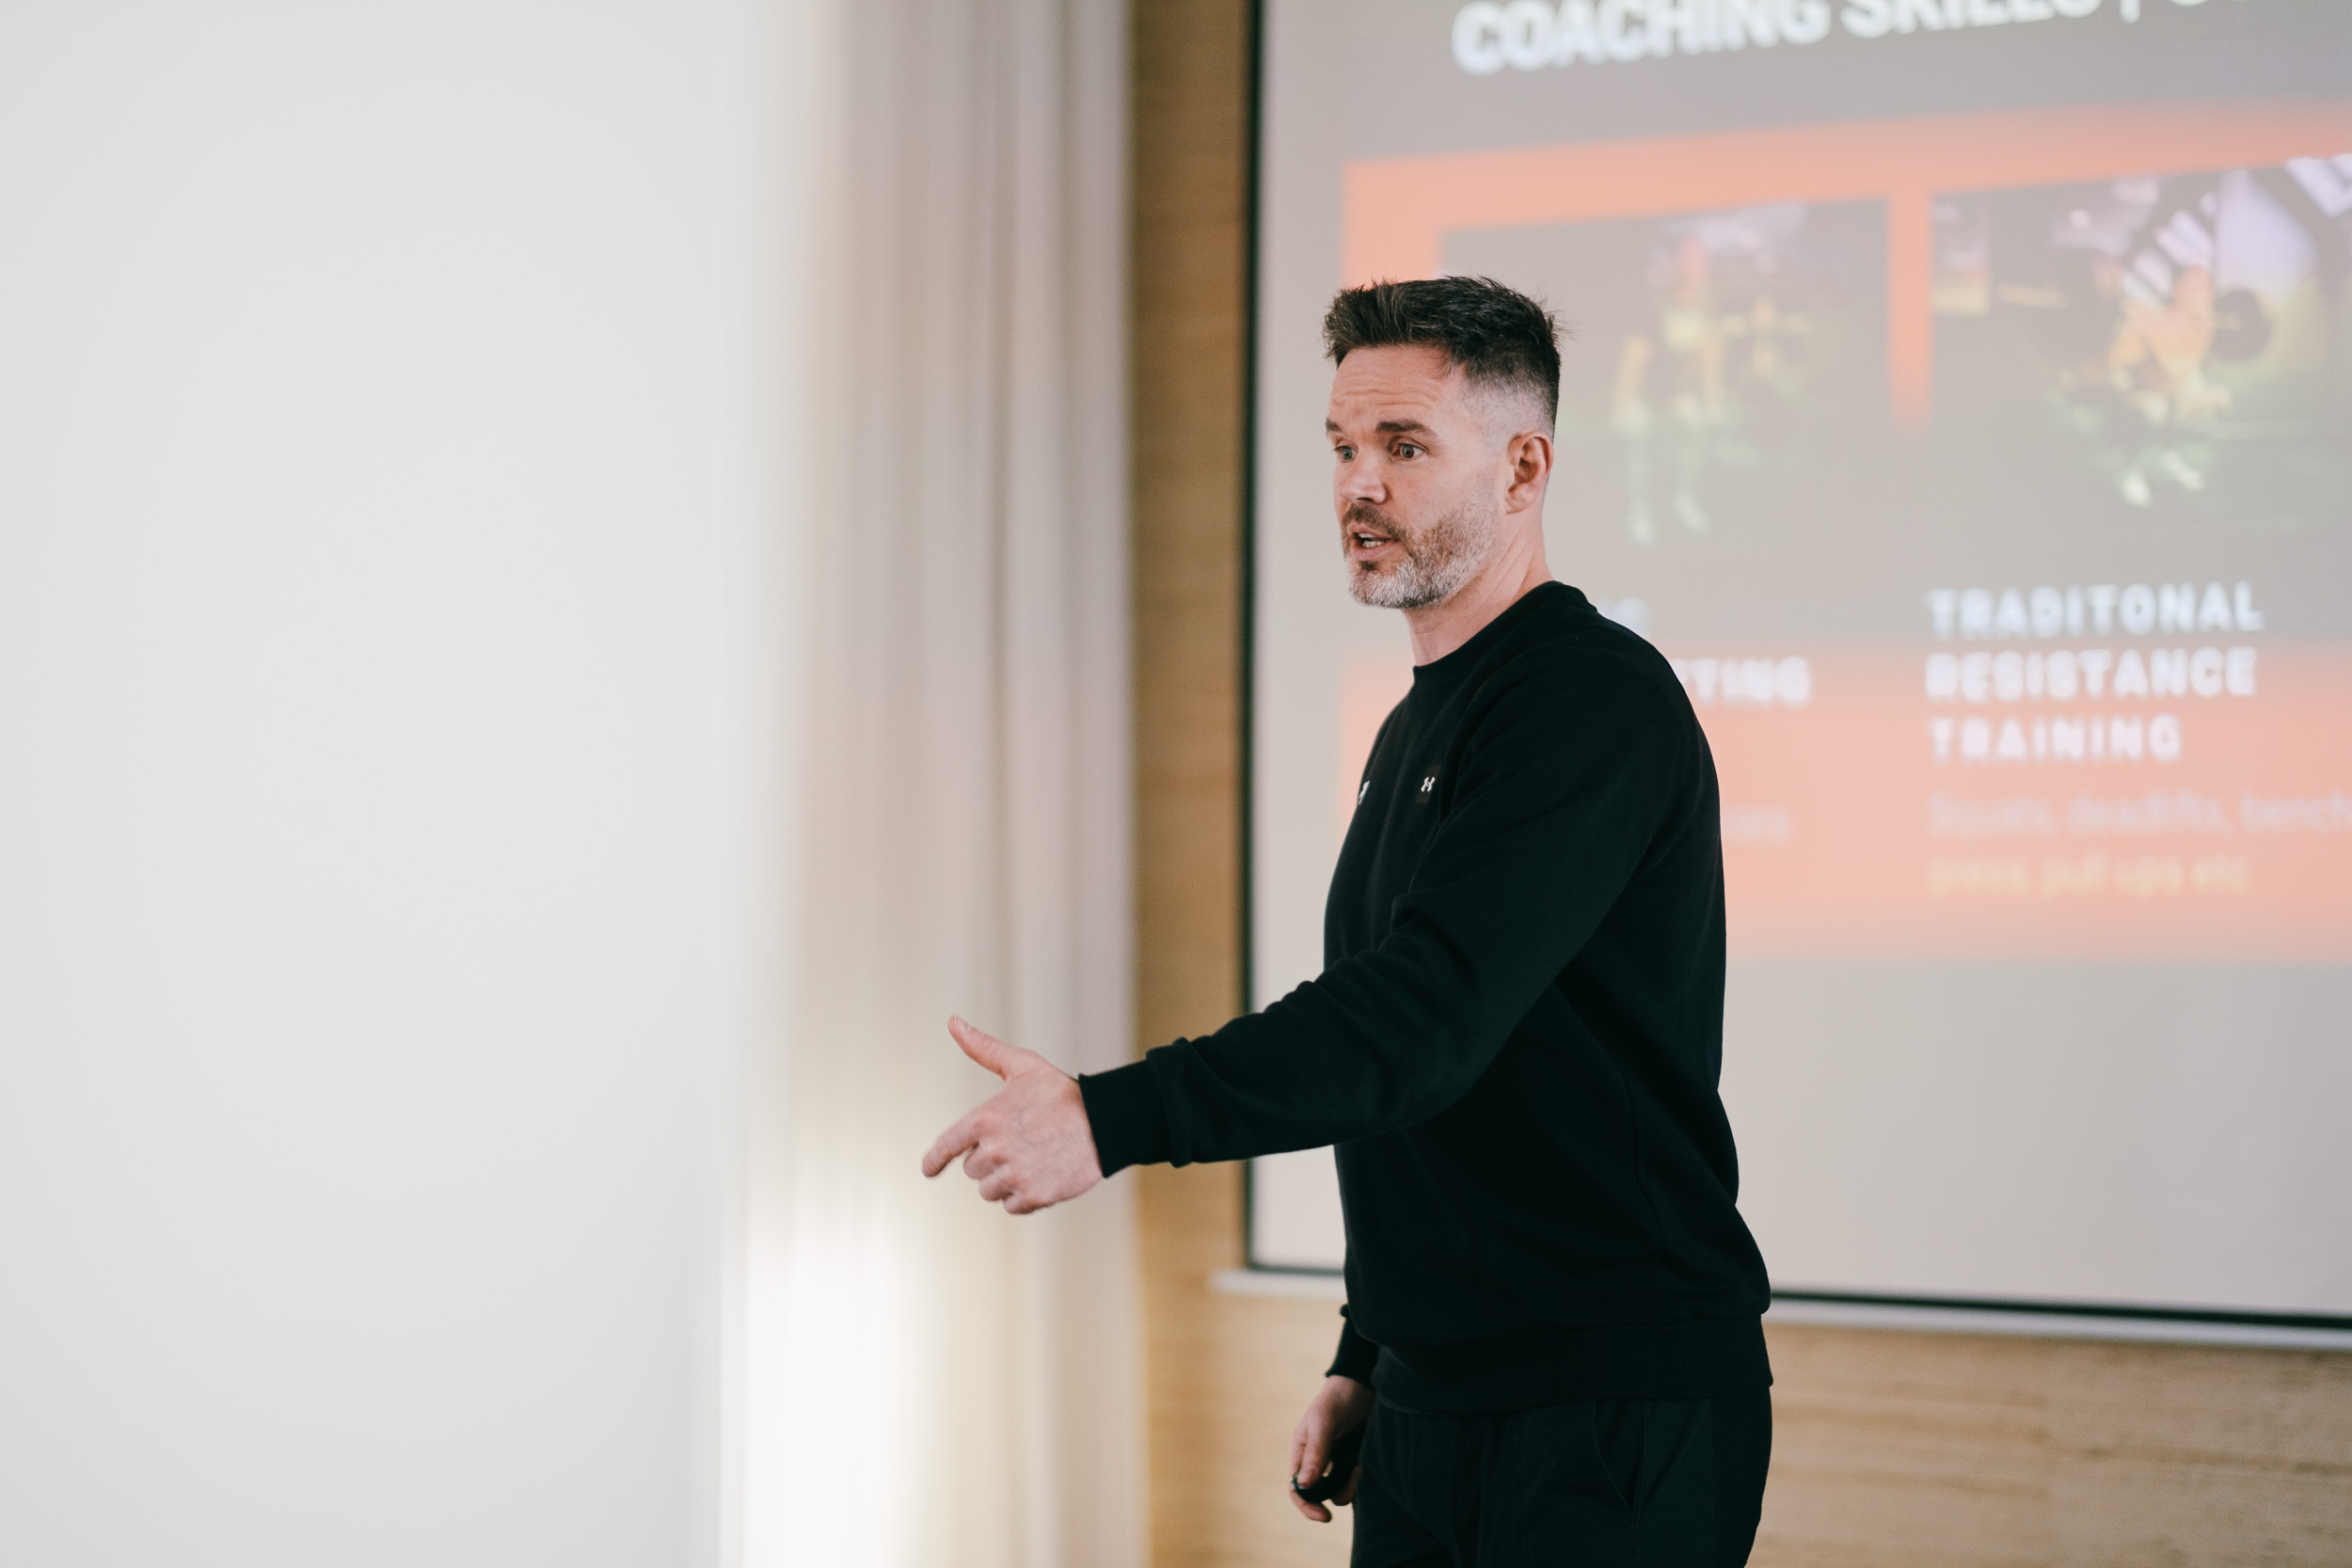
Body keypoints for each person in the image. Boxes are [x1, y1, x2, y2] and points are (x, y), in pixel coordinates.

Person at [922, 276, 1773, 1567]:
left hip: (1609, 1399)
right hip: (1440, 1399)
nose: (1354, 485)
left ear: (1525, 465)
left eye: (1404, 447)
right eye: (1340, 447)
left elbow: (1418, 1020)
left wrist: (1110, 1116)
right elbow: (1440, 1091)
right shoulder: (1419, 724)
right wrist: (1369, 1349)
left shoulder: (1589, 701)